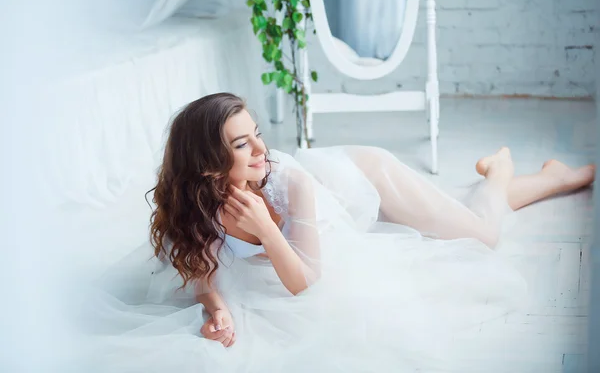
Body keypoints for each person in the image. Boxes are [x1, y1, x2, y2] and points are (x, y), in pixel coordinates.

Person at [83, 92, 595, 372]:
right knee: (458, 221)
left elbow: (307, 283)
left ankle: (514, 172)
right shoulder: (192, 204)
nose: (261, 149)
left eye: (257, 134)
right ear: (207, 166)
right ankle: (515, 177)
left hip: (360, 179)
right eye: (242, 145)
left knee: (481, 236)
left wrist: (266, 228)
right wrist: (216, 310)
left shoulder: (289, 182)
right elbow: (199, 267)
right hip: (332, 213)